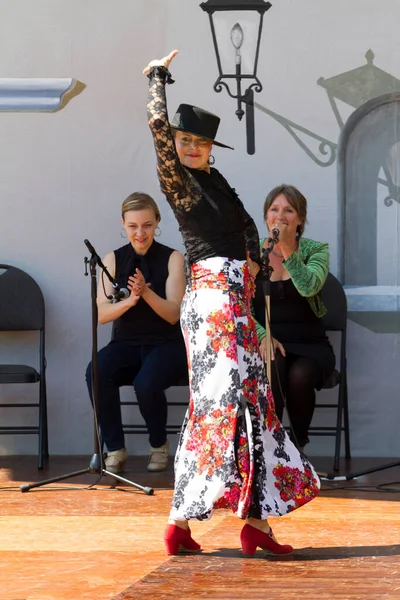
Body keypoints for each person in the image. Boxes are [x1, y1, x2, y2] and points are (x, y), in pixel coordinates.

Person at [143, 50, 320, 557]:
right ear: (174, 144)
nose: (191, 148)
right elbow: (158, 127)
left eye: (199, 142)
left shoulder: (216, 181)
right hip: (213, 303)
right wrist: (158, 77)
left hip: (235, 301)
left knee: (246, 406)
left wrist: (270, 255)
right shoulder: (177, 182)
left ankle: (233, 524)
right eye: (183, 141)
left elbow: (246, 237)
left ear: (210, 148)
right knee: (225, 407)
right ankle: (222, 523)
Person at [85, 192, 188, 473]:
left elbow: (172, 314)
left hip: (166, 344)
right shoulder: (113, 259)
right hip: (127, 342)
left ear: (156, 222)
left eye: (146, 225)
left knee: (146, 383)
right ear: (123, 224)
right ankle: (115, 448)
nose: (140, 233)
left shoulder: (173, 258)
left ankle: (158, 446)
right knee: (96, 370)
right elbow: (103, 315)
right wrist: (130, 300)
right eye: (133, 226)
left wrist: (145, 293)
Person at [252, 184, 336, 453]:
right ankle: (272, 448)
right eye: (274, 209)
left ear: (300, 219)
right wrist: (263, 336)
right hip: (268, 340)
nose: (280, 216)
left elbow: (309, 286)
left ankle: (298, 447)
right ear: (266, 217)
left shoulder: (315, 250)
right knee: (273, 366)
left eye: (289, 210)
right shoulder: (252, 253)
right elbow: (237, 304)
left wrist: (287, 249)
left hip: (309, 343)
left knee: (300, 377)